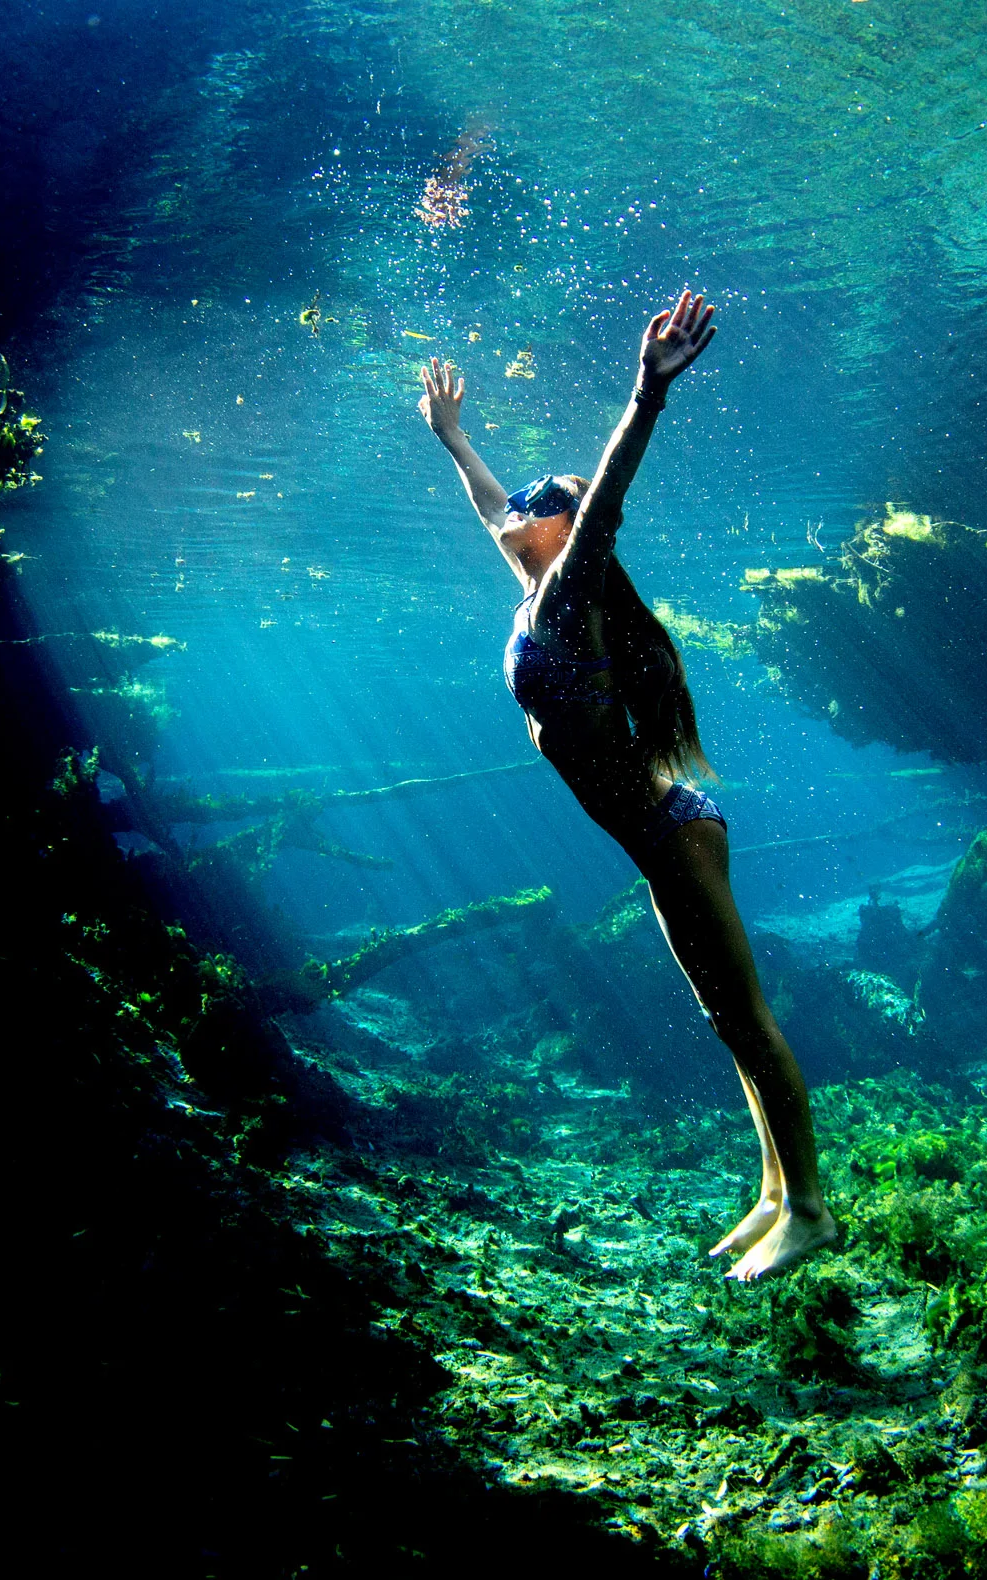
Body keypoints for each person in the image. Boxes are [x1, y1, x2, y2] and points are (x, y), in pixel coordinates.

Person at [417, 290, 837, 1280]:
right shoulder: (538, 591)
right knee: (724, 1020)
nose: (514, 506)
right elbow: (491, 505)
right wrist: (453, 437)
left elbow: (602, 497)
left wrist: (647, 393)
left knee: (746, 1017)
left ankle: (810, 1208)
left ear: (563, 534)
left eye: (537, 500)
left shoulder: (566, 600)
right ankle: (772, 1188)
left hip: (670, 833)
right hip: (659, 839)